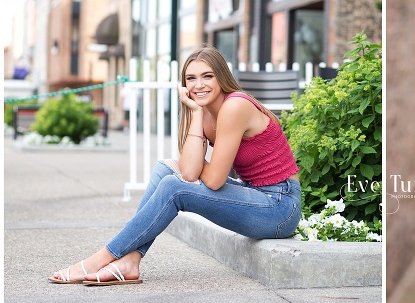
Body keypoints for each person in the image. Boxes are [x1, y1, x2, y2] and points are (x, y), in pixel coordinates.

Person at [48, 46, 301, 286]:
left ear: (221, 77)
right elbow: (189, 171)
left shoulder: (235, 105)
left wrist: (192, 153)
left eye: (207, 76)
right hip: (256, 197)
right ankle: (131, 261)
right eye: (191, 78)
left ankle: (99, 259)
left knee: (173, 186)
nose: (198, 85)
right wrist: (196, 113)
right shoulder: (205, 111)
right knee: (166, 169)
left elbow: (213, 181)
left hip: (279, 208)